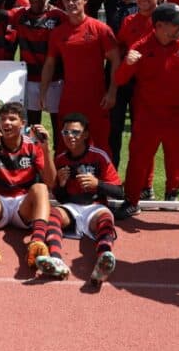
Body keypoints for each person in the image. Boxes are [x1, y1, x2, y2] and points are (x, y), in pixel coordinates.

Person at [114, 3, 179, 237]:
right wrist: (128, 64)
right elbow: (119, 80)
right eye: (177, 23)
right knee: (138, 160)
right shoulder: (140, 47)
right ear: (159, 26)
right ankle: (131, 201)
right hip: (148, 116)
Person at [0, 102, 57, 272]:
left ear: (22, 123)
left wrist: (46, 149)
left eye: (12, 119)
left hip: (22, 206)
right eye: (3, 119)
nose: (7, 123)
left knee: (40, 188)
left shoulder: (32, 145)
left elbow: (51, 182)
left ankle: (36, 244)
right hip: (0, 205)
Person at [39, 113, 121, 286]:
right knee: (53, 214)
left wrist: (97, 184)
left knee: (105, 220)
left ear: (85, 135)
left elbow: (120, 192)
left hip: (95, 208)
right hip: (72, 207)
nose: (70, 137)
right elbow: (61, 197)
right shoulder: (60, 159)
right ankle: (56, 260)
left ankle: (103, 260)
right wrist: (60, 184)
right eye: (66, 133)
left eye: (75, 132)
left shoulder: (99, 156)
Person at [40, 0, 120, 156]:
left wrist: (112, 91)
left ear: (84, 1)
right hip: (69, 97)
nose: (71, 3)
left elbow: (116, 59)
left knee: (99, 142)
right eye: (67, 0)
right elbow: (49, 64)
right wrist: (43, 92)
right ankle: (63, 180)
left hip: (97, 98)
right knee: (65, 142)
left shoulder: (100, 29)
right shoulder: (58, 33)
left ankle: (104, 180)